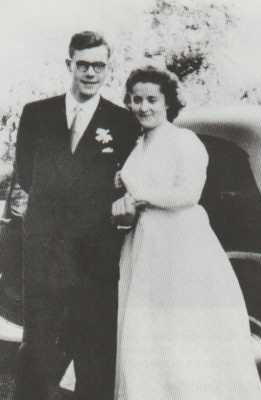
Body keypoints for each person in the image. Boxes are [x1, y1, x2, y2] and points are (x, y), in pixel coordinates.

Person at [112, 66, 261, 399]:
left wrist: (139, 195)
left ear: (168, 102)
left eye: (152, 99)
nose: (144, 107)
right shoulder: (137, 146)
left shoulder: (185, 140)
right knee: (148, 330)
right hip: (143, 244)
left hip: (180, 244)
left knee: (183, 330)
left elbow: (188, 194)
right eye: (136, 100)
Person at [14, 31, 138, 400]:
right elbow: (24, 174)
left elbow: (123, 185)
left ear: (107, 69)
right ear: (70, 64)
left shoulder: (122, 121)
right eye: (83, 64)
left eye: (98, 65)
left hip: (94, 255)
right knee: (37, 344)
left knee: (94, 348)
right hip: (44, 249)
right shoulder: (36, 113)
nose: (90, 73)